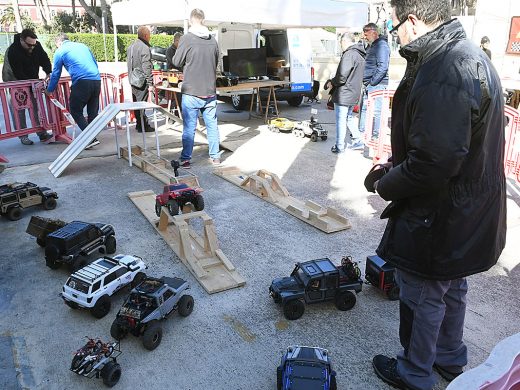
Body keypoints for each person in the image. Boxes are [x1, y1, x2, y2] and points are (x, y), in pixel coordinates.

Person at [368, 1, 507, 389]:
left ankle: (415, 373)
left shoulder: (445, 68)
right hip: (467, 208)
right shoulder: (466, 55)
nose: (393, 32)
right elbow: (439, 142)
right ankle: (448, 358)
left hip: (441, 213)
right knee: (453, 286)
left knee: (423, 294)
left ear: (412, 21)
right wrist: (393, 166)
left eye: (394, 24)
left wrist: (386, 184)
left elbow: (433, 161)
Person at [172, 8, 220, 168]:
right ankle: (215, 157)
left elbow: (176, 61)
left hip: (192, 90)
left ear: (191, 20)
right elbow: (216, 61)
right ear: (203, 20)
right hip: (210, 91)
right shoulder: (213, 40)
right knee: (212, 126)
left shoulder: (186, 39)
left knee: (189, 127)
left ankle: (186, 159)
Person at [46, 33, 101, 148]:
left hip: (81, 82)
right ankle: (92, 138)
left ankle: (90, 139)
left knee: (75, 111)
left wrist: (49, 89)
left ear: (58, 43)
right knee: (92, 113)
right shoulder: (83, 46)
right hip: (96, 80)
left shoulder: (60, 51)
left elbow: (56, 73)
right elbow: (95, 64)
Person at [2, 29, 52, 145]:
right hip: (14, 81)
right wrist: (32, 86)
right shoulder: (13, 51)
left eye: (33, 45)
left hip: (31, 79)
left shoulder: (35, 45)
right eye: (29, 45)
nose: (32, 48)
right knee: (19, 109)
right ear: (21, 40)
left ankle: (42, 132)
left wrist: (48, 72)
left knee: (36, 107)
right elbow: (18, 73)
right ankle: (23, 135)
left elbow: (44, 59)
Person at [325, 32, 366, 153]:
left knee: (341, 120)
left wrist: (332, 82)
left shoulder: (349, 54)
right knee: (348, 118)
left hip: (344, 93)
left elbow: (341, 76)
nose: (340, 46)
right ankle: (358, 140)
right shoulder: (360, 54)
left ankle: (339, 146)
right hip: (354, 92)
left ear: (345, 41)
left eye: (340, 43)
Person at [358, 23, 390, 140]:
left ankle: (376, 137)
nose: (365, 37)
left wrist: (372, 82)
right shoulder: (373, 46)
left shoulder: (382, 46)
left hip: (377, 85)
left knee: (376, 111)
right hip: (370, 84)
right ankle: (362, 135)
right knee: (365, 109)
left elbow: (383, 67)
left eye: (366, 35)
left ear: (373, 32)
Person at [127, 26, 155, 133]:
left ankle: (139, 124)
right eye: (149, 35)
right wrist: (150, 83)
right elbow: (146, 66)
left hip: (133, 78)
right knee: (142, 103)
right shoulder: (144, 48)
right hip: (141, 80)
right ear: (146, 35)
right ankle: (143, 125)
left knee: (136, 102)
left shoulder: (131, 46)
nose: (150, 37)